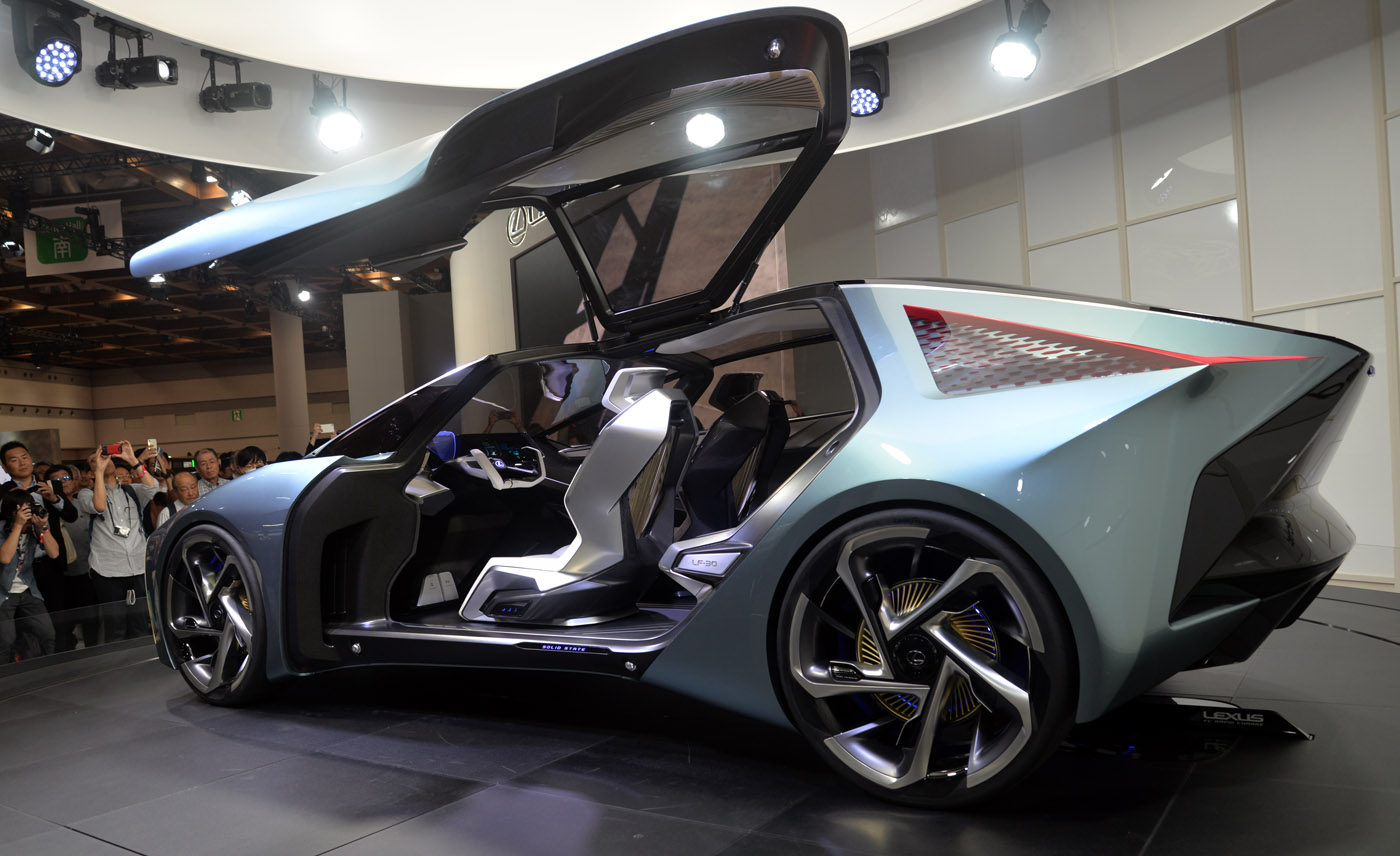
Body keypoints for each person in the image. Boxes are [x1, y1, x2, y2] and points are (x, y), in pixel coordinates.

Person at [74, 442, 161, 642]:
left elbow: (153, 486)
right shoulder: (85, 494)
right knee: (115, 626)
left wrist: (132, 460)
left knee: (140, 623)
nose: (104, 461)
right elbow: (99, 505)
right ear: (90, 472)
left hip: (137, 565)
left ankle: (139, 660)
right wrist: (99, 472)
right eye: (95, 460)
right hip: (107, 569)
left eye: (107, 458)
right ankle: (117, 660)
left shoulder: (131, 490)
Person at [0, 487, 59, 662]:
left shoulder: (35, 528)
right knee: (5, 641)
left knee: (47, 634)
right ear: (11, 512)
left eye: (30, 507)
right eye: (23, 508)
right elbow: (5, 557)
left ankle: (47, 669)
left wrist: (44, 527)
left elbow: (54, 553)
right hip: (3, 591)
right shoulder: (1, 528)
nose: (29, 512)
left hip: (28, 588)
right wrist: (18, 526)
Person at [46, 464, 99, 651]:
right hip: (61, 575)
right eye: (56, 480)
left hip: (86, 571)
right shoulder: (47, 509)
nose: (63, 483)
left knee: (91, 620)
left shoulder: (84, 504)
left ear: (75, 481)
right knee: (64, 624)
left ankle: (93, 655)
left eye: (66, 478)